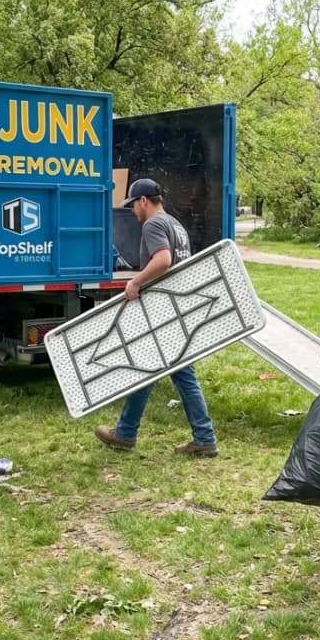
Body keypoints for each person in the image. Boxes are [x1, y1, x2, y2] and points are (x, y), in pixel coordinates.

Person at [94, 178, 218, 457]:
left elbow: (163, 260)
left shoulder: (153, 224)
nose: (133, 212)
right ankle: (201, 437)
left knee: (155, 370)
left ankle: (128, 434)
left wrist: (135, 282)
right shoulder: (175, 224)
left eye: (133, 206)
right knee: (164, 372)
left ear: (143, 201)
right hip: (176, 308)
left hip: (165, 312)